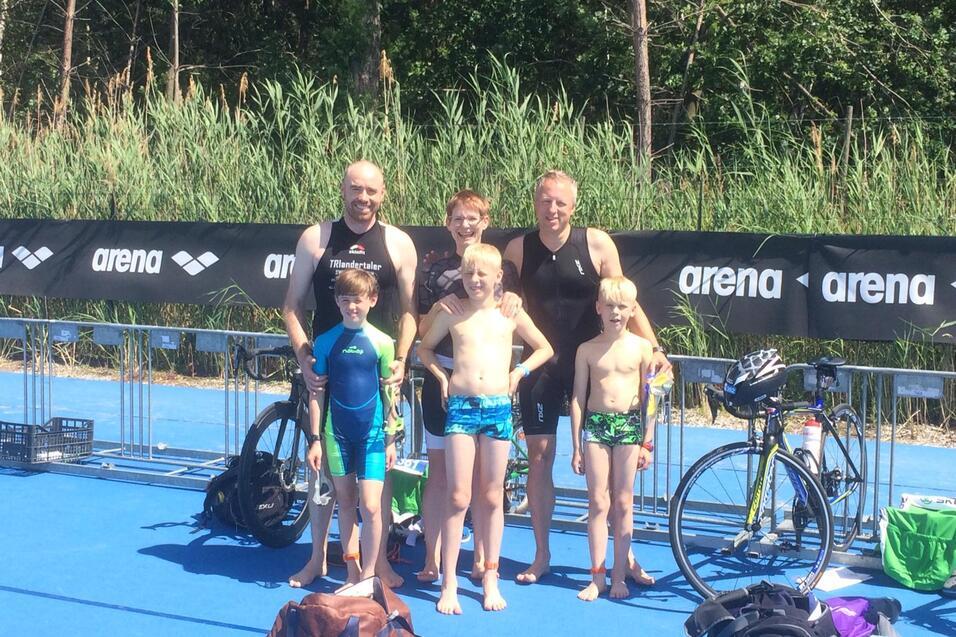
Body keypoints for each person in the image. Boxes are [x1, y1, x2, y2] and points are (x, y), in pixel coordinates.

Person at [502, 170, 668, 585]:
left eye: (560, 202)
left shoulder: (595, 243)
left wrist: (656, 347)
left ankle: (623, 558)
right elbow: (498, 301)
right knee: (539, 461)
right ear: (535, 202)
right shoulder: (518, 249)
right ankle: (541, 555)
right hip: (541, 366)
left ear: (573, 206)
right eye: (545, 201)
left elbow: (626, 299)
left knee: (614, 479)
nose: (552, 209)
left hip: (596, 365)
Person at [283, 160, 417, 588]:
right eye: (355, 189)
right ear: (343, 190)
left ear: (383, 194)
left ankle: (378, 565)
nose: (363, 197)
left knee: (376, 484)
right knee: (325, 479)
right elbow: (292, 307)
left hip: (377, 375)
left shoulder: (398, 243)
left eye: (371, 191)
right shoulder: (316, 238)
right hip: (324, 374)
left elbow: (412, 311)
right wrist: (305, 356)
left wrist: (401, 358)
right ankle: (317, 559)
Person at [417, 244, 553, 614]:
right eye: (468, 274)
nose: (475, 280)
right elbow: (424, 349)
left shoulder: (510, 312)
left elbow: (543, 347)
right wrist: (441, 378)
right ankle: (450, 582)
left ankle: (490, 576)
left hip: (497, 409)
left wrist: (518, 372)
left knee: (492, 496)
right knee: (459, 495)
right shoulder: (453, 312)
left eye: (482, 274)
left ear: (498, 278)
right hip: (460, 408)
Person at [415, 189, 521, 584]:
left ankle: (481, 561)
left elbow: (512, 312)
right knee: (441, 475)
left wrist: (518, 371)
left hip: (489, 391)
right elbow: (423, 329)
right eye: (457, 218)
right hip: (446, 384)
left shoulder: (503, 270)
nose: (465, 225)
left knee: (484, 486)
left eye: (472, 218)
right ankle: (433, 558)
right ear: (448, 224)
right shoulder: (434, 270)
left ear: (484, 222)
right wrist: (442, 309)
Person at [307, 269, 397, 587]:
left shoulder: (383, 343)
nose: (351, 307)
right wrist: (315, 439)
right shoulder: (325, 342)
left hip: (372, 436)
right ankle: (352, 573)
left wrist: (391, 439)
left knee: (371, 505)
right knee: (345, 502)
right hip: (337, 434)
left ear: (372, 300)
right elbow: (317, 392)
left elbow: (390, 394)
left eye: (357, 300)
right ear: (336, 301)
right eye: (345, 301)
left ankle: (371, 574)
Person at [570, 276, 655, 601]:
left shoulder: (642, 347)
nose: (615, 312)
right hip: (596, 427)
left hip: (629, 426)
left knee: (623, 501)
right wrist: (576, 444)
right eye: (609, 306)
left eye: (622, 307)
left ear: (632, 310)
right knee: (597, 502)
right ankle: (598, 577)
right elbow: (578, 397)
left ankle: (619, 574)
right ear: (598, 309)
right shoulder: (587, 350)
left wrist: (647, 440)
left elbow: (650, 398)